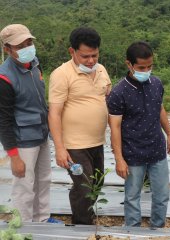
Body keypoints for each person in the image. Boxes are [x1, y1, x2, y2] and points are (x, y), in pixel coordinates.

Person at [107, 41, 170, 228]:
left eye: (150, 66)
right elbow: (115, 127)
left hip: (156, 149)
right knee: (132, 197)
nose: (146, 70)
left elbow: (160, 108)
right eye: (141, 67)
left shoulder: (156, 83)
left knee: (162, 195)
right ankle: (133, 231)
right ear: (129, 64)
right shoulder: (118, 93)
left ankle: (157, 228)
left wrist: (169, 133)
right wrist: (119, 158)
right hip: (133, 153)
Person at [48, 27, 111, 225]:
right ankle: (82, 226)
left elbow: (107, 99)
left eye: (95, 55)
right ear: (72, 51)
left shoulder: (101, 70)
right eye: (85, 56)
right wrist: (60, 148)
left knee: (97, 183)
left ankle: (87, 217)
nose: (91, 61)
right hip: (74, 145)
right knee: (84, 186)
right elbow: (54, 113)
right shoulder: (61, 74)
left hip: (97, 141)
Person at [0, 24, 57, 223]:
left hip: (41, 134)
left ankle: (42, 221)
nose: (27, 48)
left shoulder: (34, 64)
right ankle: (23, 227)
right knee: (24, 187)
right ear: (7, 48)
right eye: (20, 45)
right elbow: (4, 121)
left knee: (43, 181)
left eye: (29, 43)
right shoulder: (4, 77)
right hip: (23, 141)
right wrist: (14, 157)